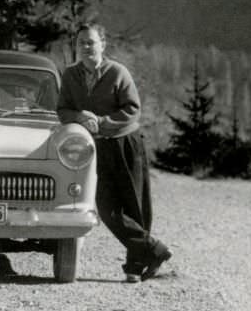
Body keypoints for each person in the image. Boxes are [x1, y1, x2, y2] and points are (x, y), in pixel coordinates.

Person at [57, 22, 171, 283]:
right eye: (81, 43)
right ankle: (155, 250)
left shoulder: (118, 72)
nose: (86, 47)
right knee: (107, 207)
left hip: (125, 143)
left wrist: (104, 121)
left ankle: (135, 266)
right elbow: (63, 110)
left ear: (103, 45)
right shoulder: (71, 75)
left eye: (91, 42)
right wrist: (79, 116)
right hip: (95, 149)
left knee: (135, 205)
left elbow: (133, 109)